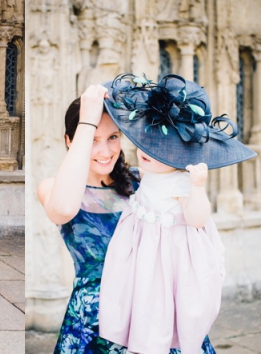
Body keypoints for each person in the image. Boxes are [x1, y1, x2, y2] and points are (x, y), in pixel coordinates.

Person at [37, 83, 217, 353]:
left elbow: (194, 219)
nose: (106, 151)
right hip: (94, 322)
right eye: (93, 140)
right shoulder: (53, 187)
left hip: (155, 315)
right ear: (70, 140)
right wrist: (87, 119)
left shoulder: (141, 180)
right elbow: (62, 209)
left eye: (113, 137)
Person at [98, 74, 256, 353]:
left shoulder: (181, 182)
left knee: (165, 303)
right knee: (138, 300)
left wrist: (197, 188)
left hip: (169, 257)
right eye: (146, 141)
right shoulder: (148, 173)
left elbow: (198, 218)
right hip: (140, 252)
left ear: (180, 156)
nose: (146, 151)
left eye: (160, 150)